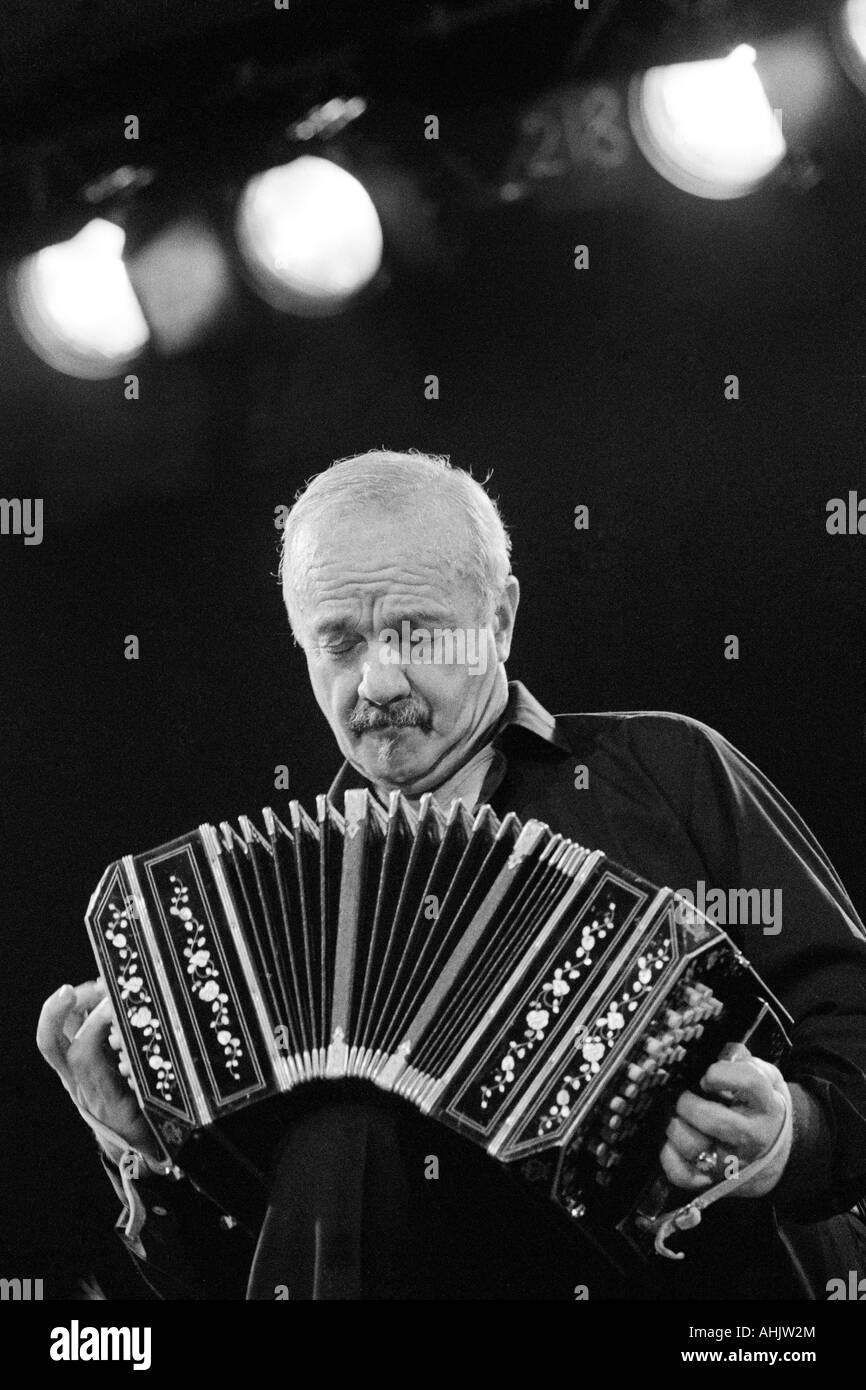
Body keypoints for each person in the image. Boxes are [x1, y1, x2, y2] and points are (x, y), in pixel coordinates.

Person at [38, 449, 866, 1299]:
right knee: (342, 1142)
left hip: (702, 1299)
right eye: (341, 641)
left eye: (417, 633)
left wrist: (784, 1138)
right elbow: (229, 1278)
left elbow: (854, 1033)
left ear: (500, 619)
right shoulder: (254, 929)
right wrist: (145, 1150)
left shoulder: (665, 770)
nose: (379, 680)